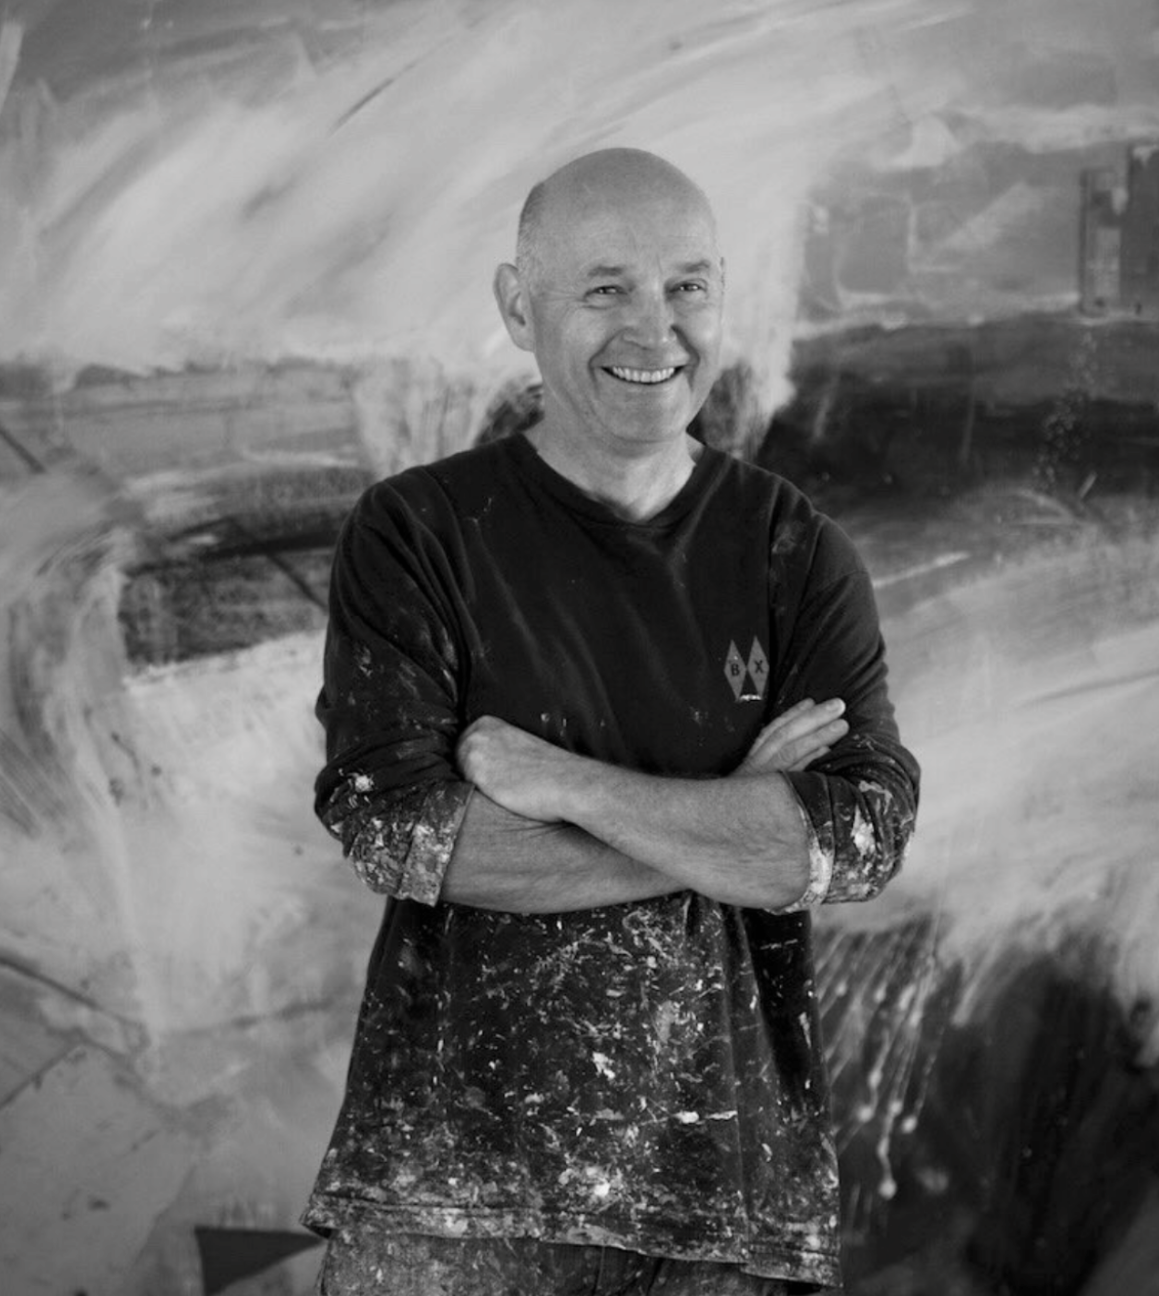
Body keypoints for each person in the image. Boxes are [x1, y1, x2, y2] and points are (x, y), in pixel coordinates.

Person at [302, 148, 920, 1295]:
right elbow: (404, 836)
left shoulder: (792, 553)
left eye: (687, 286)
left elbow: (854, 842)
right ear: (516, 308)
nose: (655, 329)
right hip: (450, 1206)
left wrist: (565, 786)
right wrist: (730, 819)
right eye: (605, 289)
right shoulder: (418, 535)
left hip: (728, 1213)